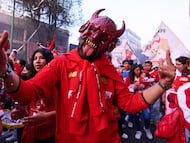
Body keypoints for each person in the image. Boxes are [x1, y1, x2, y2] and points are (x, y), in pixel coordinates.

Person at [0, 9, 176, 143]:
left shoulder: (111, 71)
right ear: (84, 29)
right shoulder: (62, 62)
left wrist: (163, 84)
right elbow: (26, 92)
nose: (94, 37)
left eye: (102, 37)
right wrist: (5, 70)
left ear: (109, 45)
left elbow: (130, 104)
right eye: (92, 31)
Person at [10, 48, 56, 143]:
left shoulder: (57, 83)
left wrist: (46, 116)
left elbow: (66, 110)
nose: (37, 61)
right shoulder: (30, 81)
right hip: (31, 133)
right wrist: (22, 112)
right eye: (35, 58)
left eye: (41, 58)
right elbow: (31, 107)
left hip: (51, 135)